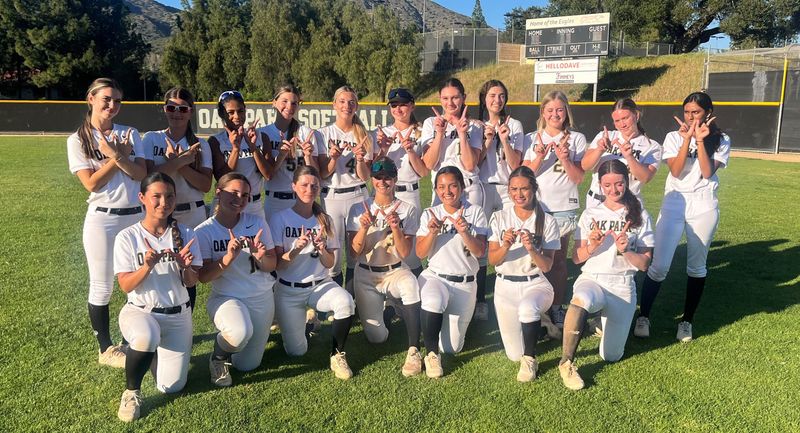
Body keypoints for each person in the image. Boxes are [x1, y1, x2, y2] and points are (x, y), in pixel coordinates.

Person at [634, 92, 730, 342]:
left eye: (696, 112)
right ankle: (644, 316)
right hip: (675, 202)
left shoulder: (721, 139)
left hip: (704, 204)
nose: (690, 116)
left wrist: (700, 142)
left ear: (708, 112)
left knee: (696, 266)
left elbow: (707, 173)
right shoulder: (673, 137)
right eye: (687, 111)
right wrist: (687, 139)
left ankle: (686, 321)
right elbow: (676, 172)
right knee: (659, 265)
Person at [67, 77, 147, 368]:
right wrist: (117, 157)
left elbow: (140, 174)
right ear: (91, 99)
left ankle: (135, 337)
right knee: (102, 286)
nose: (112, 105)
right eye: (106, 99)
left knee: (137, 283)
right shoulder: (78, 139)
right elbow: (91, 184)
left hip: (136, 217)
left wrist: (119, 155)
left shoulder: (129, 133)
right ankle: (105, 348)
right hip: (102, 219)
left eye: (117, 100)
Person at [557, 160, 654, 391]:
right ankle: (566, 362)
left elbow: (644, 266)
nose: (613, 190)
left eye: (619, 183)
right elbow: (577, 259)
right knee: (581, 300)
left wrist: (627, 250)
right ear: (600, 185)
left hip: (622, 285)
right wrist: (592, 246)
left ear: (627, 182)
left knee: (611, 355)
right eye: (607, 185)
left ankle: (602, 323)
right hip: (594, 278)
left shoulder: (639, 214)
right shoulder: (591, 213)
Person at [113, 172, 202, 421]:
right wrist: (146, 267)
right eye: (157, 196)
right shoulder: (128, 237)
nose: (164, 203)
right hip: (141, 311)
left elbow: (192, 282)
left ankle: (150, 353)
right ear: (142, 198)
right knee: (146, 335)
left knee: (171, 386)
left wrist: (186, 267)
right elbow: (125, 285)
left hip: (177, 315)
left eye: (169, 197)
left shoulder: (186, 232)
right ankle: (132, 392)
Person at [270, 165, 357, 379]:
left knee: (345, 302)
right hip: (288, 290)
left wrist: (321, 249)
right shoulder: (279, 218)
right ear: (294, 187)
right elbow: (277, 266)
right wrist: (295, 250)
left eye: (314, 185)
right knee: (296, 351)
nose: (309, 189)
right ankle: (308, 323)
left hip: (319, 285)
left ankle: (337, 354)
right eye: (304, 185)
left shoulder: (324, 219)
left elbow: (329, 264)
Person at [196, 173, 277, 387]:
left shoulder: (257, 222)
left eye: (245, 195)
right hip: (227, 296)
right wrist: (227, 258)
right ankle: (218, 357)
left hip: (261, 296)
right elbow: (203, 277)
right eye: (233, 193)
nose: (239, 198)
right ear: (218, 192)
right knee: (239, 332)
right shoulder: (204, 231)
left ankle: (234, 350)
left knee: (247, 365)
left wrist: (261, 257)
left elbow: (272, 265)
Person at [346, 157, 422, 377]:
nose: (383, 182)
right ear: (371, 179)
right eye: (378, 177)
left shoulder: (406, 209)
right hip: (366, 275)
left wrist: (396, 228)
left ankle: (414, 349)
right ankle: (390, 311)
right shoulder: (358, 208)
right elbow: (354, 252)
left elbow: (405, 252)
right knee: (376, 338)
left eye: (387, 177)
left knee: (410, 285)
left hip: (395, 270)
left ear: (395, 179)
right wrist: (363, 228)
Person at [419, 78, 486, 322]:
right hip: (444, 190)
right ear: (439, 100)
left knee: (473, 243)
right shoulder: (430, 123)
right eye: (445, 98)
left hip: (469, 188)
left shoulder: (475, 125)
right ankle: (440, 291)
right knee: (444, 240)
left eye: (455, 97)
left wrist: (462, 132)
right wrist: (439, 133)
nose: (450, 103)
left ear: (464, 97)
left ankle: (476, 300)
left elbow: (470, 164)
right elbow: (428, 164)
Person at [488, 166, 560, 382]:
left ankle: (530, 359)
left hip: (535, 283)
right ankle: (542, 326)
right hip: (504, 287)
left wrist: (531, 249)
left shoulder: (547, 220)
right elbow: (493, 261)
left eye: (524, 189)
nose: (518, 194)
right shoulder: (500, 217)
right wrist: (506, 246)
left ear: (534, 189)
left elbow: (547, 266)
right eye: (513, 189)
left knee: (528, 309)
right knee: (513, 355)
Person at [143, 87, 212, 311]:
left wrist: (179, 165)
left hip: (192, 213)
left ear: (190, 112)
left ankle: (185, 323)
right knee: (161, 268)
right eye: (171, 107)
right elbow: (149, 178)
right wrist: (179, 161)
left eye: (182, 108)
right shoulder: (152, 138)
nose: (177, 113)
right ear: (165, 109)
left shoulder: (201, 144)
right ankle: (156, 317)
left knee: (188, 270)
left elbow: (205, 185)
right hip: (162, 213)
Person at [416, 166, 488, 378]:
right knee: (433, 301)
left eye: (452, 186)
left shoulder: (476, 212)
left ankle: (437, 326)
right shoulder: (431, 213)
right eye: (441, 187)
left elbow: (480, 251)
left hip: (465, 283)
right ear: (436, 190)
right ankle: (430, 354)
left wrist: (465, 232)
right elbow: (420, 253)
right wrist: (431, 233)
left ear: (462, 187)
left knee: (452, 347)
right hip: (436, 276)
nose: (446, 191)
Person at [523, 90, 587, 330]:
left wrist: (566, 158)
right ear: (543, 113)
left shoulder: (576, 139)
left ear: (566, 111)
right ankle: (537, 309)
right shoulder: (532, 138)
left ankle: (556, 307)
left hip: (563, 209)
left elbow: (578, 178)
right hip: (535, 208)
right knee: (534, 260)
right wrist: (540, 157)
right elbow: (524, 175)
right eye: (550, 110)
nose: (555, 114)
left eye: (559, 110)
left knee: (558, 262)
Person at [474, 79, 525, 321]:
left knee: (510, 238)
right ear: (484, 98)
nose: (497, 100)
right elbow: (472, 163)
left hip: (507, 188)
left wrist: (504, 139)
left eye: (501, 95)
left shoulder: (514, 125)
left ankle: (514, 295)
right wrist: (486, 141)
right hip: (482, 186)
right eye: (492, 95)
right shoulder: (476, 125)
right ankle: (479, 299)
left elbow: (516, 165)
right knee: (481, 242)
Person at [318, 86, 372, 289]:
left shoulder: (364, 134)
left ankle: (353, 300)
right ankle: (333, 303)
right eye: (341, 101)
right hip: (331, 197)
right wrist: (333, 159)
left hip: (358, 194)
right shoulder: (323, 133)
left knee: (355, 254)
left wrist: (359, 159)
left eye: (351, 102)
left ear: (356, 106)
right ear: (334, 104)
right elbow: (322, 173)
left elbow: (365, 176)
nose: (346, 106)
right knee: (333, 252)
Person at [373, 87, 427, 275]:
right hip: (385, 193)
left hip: (410, 192)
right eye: (394, 105)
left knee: (410, 252)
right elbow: (373, 169)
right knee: (384, 246)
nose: (397, 109)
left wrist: (411, 151)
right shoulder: (381, 132)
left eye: (402, 104)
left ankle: (415, 297)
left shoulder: (421, 131)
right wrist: (383, 150)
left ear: (411, 106)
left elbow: (423, 172)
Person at [581, 98, 662, 208]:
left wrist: (629, 157)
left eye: (625, 118)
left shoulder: (651, 146)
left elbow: (645, 177)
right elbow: (585, 166)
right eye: (617, 121)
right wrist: (599, 150)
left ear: (636, 116)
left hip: (627, 203)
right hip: (597, 201)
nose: (622, 124)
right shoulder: (605, 136)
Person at [258, 84, 322, 222]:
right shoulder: (263, 133)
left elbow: (316, 173)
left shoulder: (306, 132)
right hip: (274, 200)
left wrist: (308, 156)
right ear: (274, 103)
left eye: (294, 103)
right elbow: (267, 174)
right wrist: (280, 156)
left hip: (299, 200)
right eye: (284, 101)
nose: (289, 106)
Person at [208, 90, 268, 217]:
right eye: (230, 112)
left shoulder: (259, 137)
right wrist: (235, 148)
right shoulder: (215, 141)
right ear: (221, 113)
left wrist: (252, 147)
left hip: (253, 205)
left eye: (240, 111)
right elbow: (222, 178)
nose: (237, 116)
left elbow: (268, 174)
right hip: (227, 204)